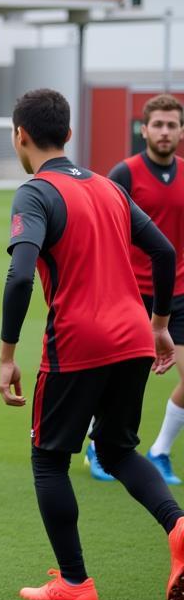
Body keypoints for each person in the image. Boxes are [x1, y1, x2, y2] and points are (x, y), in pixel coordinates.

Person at [0, 88, 184, 600]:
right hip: (133, 338)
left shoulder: (34, 192)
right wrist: (161, 324)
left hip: (78, 341)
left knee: (48, 460)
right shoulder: (108, 186)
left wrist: (7, 354)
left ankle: (75, 582)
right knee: (118, 448)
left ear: (20, 135)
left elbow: (19, 277)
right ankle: (180, 527)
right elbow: (164, 251)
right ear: (70, 135)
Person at [98, 94, 184, 487]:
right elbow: (104, 229)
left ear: (181, 131)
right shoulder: (124, 173)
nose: (165, 132)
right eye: (158, 124)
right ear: (144, 129)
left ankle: (160, 451)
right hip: (131, 293)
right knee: (119, 380)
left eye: (172, 125)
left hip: (179, 294)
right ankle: (98, 446)